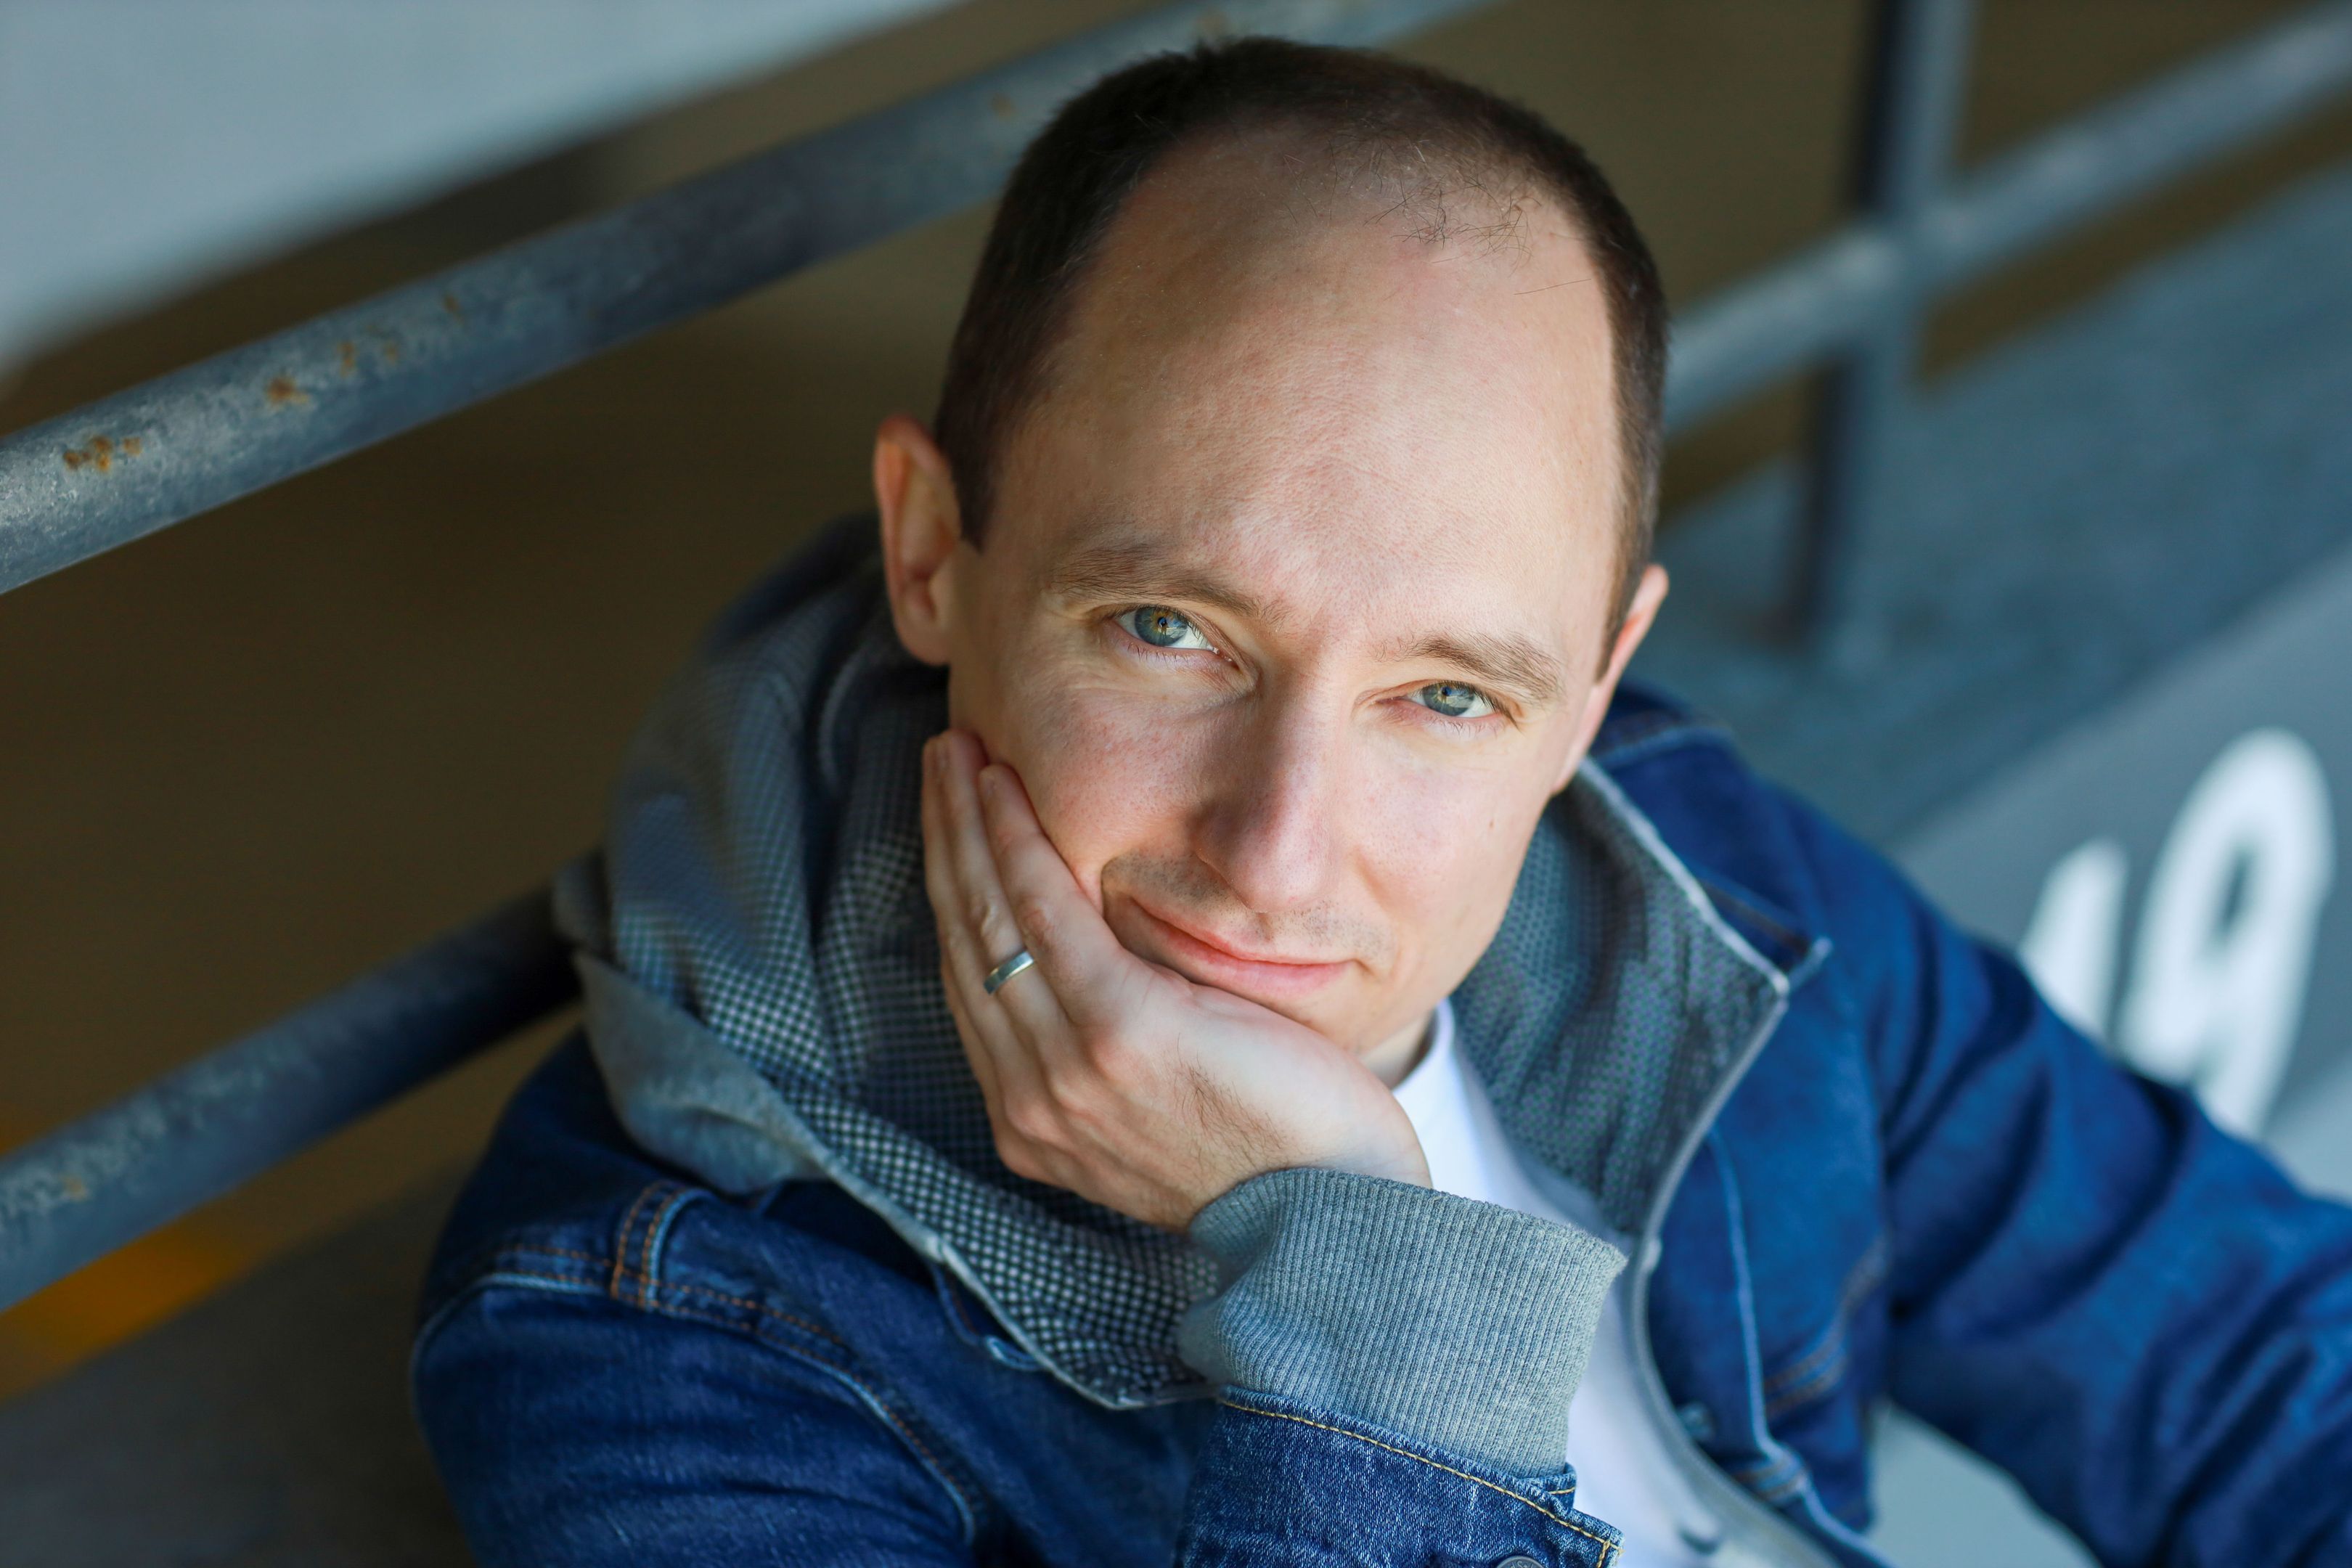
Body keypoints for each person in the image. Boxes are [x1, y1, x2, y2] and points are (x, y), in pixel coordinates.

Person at [410, 38, 2352, 1568]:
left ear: (1596, 684)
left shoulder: (1691, 877)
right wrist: (1364, 1285)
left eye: (1446, 695)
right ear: (934, 551)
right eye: (1171, 631)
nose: (1277, 853)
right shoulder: (668, 1338)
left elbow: (2265, 1373)